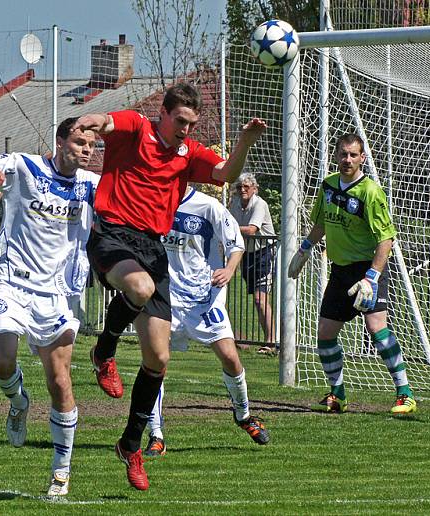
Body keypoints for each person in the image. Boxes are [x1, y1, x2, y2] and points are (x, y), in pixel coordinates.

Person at [71, 81, 266, 491]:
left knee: (158, 360)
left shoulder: (187, 153)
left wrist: (245, 141)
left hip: (151, 247)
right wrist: (92, 120)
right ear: (164, 113)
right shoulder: (138, 129)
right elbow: (109, 121)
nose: (185, 130)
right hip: (112, 235)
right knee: (138, 289)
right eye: (180, 121)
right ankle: (103, 350)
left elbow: (224, 173)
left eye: (191, 124)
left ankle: (130, 444)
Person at [0, 117, 99, 497]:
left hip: (57, 293)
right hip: (12, 280)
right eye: (80, 142)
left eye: (92, 145)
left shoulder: (91, 186)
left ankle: (61, 471)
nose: (87, 150)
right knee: (3, 361)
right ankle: (19, 402)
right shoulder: (24, 165)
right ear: (60, 140)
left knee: (60, 381)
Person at [287, 133, 416, 415]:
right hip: (340, 270)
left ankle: (405, 394)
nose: (347, 159)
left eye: (353, 155)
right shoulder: (329, 185)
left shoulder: (370, 192)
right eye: (343, 154)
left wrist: (372, 275)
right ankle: (338, 394)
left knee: (376, 329)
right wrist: (305, 248)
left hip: (368, 269)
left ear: (362, 159)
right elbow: (322, 222)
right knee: (325, 333)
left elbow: (386, 239)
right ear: (336, 156)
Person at [143, 185, 269, 458]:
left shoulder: (208, 206)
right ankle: (156, 434)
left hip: (204, 299)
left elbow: (236, 243)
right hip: (165, 298)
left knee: (230, 358)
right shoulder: (153, 201)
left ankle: (244, 415)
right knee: (156, 363)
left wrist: (229, 268)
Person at [228, 172, 277, 353]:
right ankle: (236, 338)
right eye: (240, 187)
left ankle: (271, 343)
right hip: (245, 254)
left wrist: (226, 227)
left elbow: (250, 230)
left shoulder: (260, 204)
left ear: (254, 189)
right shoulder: (234, 203)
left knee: (260, 299)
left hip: (265, 254)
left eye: (246, 187)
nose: (242, 190)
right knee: (223, 294)